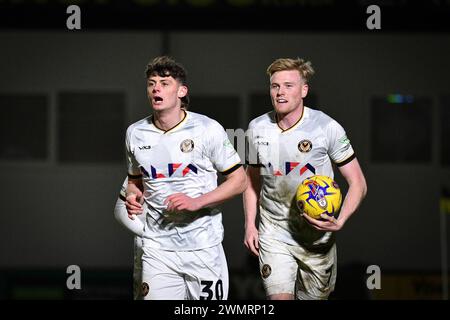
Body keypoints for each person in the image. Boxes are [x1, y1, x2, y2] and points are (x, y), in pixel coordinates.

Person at [243, 57, 367, 300]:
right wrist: (250, 224)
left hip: (316, 239)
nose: (280, 92)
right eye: (275, 86)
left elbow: (358, 183)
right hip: (274, 232)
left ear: (304, 90)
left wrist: (340, 220)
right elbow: (250, 182)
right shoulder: (257, 128)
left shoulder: (327, 127)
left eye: (288, 85)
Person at [125, 56, 247, 300]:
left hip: (203, 247)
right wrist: (132, 195)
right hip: (158, 248)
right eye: (151, 83)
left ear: (182, 91)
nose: (156, 88)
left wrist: (196, 202)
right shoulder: (135, 133)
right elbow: (134, 180)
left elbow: (239, 180)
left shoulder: (207, 128)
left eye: (165, 83)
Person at [113, 177, 145, 300]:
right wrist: (151, 236)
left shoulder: (203, 166)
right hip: (149, 253)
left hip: (198, 253)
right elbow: (120, 209)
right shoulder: (142, 166)